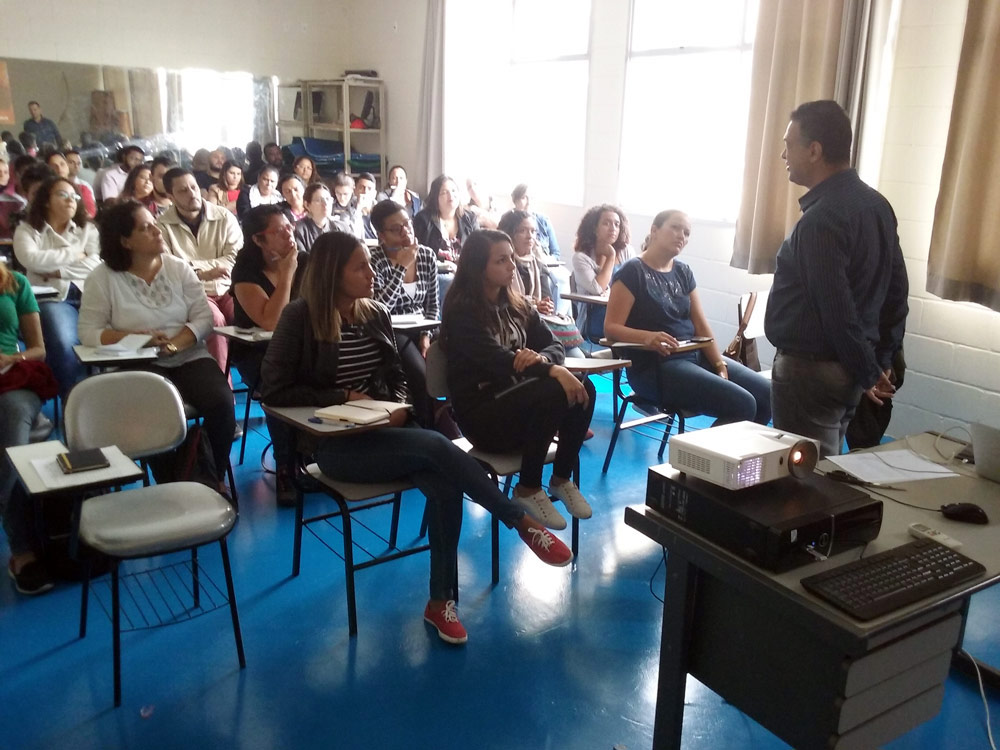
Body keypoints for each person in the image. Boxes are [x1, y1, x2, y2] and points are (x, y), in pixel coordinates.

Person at [260, 230, 572, 643]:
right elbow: (273, 390)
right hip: (334, 447)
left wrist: (395, 407)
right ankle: (519, 519)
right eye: (361, 267)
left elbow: (399, 378)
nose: (373, 273)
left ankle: (440, 602)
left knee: (445, 482)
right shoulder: (300, 317)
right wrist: (342, 397)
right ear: (333, 274)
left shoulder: (374, 314)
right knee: (437, 446)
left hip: (389, 433)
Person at [765, 100, 909, 457]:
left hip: (812, 372)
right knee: (829, 465)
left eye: (789, 145)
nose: (783, 155)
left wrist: (869, 371)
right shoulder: (877, 206)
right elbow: (897, 293)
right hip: (850, 371)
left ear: (814, 151)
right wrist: (881, 360)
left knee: (807, 477)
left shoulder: (820, 221)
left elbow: (836, 310)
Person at [441, 230, 596, 531]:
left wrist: (543, 360)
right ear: (478, 267)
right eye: (501, 260)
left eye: (511, 258)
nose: (512, 265)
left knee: (584, 387)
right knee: (554, 389)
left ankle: (561, 478)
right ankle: (527, 487)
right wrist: (552, 370)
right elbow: (497, 360)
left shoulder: (518, 305)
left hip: (522, 408)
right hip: (483, 419)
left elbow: (554, 345)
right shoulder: (462, 312)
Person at [79, 201, 235, 494]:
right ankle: (173, 484)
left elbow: (203, 318)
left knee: (222, 402)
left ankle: (212, 476)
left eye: (154, 224)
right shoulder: (102, 278)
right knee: (152, 410)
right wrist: (133, 337)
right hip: (135, 360)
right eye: (145, 228)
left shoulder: (178, 268)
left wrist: (174, 345)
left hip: (187, 354)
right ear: (125, 241)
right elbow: (88, 333)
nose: (157, 230)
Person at [604, 210, 771, 428]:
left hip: (695, 355)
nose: (681, 236)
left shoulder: (683, 271)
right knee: (743, 404)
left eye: (686, 232)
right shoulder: (632, 271)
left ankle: (739, 451)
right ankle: (706, 452)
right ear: (654, 230)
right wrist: (646, 337)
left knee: (767, 395)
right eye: (675, 228)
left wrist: (719, 364)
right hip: (655, 367)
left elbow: (700, 325)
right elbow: (611, 328)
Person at [231, 205, 307, 505]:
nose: (288, 234)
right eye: (278, 231)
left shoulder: (306, 261)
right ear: (258, 240)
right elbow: (271, 321)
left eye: (289, 227)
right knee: (279, 385)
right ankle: (286, 465)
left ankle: (314, 455)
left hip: (300, 350)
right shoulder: (245, 273)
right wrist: (287, 274)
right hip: (257, 355)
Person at [12, 176, 100, 399]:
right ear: (46, 200)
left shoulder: (87, 229)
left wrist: (59, 271)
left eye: (74, 196)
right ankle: (71, 399)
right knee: (64, 342)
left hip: (90, 296)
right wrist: (76, 253)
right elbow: (31, 260)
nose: (71, 200)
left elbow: (95, 264)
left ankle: (102, 397)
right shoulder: (27, 230)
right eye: (63, 194)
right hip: (52, 298)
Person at [158, 167, 243, 374]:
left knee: (247, 315)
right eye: (183, 191)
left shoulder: (224, 217)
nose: (192, 194)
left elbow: (235, 258)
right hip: (193, 292)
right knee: (214, 321)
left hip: (228, 287)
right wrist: (204, 273)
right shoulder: (162, 226)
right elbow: (169, 267)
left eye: (194, 187)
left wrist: (192, 266)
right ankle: (221, 385)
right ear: (170, 196)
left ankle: (257, 379)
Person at [369, 199, 441, 431]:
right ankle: (426, 428)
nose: (405, 232)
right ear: (381, 235)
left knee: (457, 353)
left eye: (407, 224)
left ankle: (449, 419)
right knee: (420, 373)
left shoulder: (427, 255)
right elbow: (379, 308)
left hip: (423, 327)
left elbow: (433, 305)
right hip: (391, 330)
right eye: (396, 229)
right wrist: (401, 267)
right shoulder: (375, 260)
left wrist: (426, 336)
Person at [0, 263, 50, 594]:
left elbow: (38, 350)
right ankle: (21, 549)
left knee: (14, 419)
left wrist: (10, 359)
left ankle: (21, 550)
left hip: (11, 379)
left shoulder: (15, 282)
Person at [571, 204, 634, 342]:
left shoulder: (626, 251)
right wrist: (611, 256)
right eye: (606, 223)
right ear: (594, 228)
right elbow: (598, 288)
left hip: (624, 315)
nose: (613, 228)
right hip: (594, 321)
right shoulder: (581, 257)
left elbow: (634, 285)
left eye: (617, 224)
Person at [413, 174, 479, 264]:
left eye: (453, 190)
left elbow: (479, 250)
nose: (451, 195)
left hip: (465, 269)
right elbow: (417, 252)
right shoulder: (422, 219)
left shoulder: (470, 219)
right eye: (444, 192)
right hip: (434, 269)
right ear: (435, 197)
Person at [511, 183, 559, 258]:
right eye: (524, 198)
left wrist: (547, 260)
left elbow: (556, 253)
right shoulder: (508, 221)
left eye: (531, 198)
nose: (528, 202)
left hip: (545, 263)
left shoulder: (543, 220)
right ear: (515, 200)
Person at [294, 182, 335, 253]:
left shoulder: (341, 227)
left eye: (328, 199)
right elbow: (301, 257)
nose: (325, 203)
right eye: (319, 200)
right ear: (307, 205)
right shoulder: (298, 230)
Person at [59, 150, 97, 218]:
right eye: (71, 162)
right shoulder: (56, 185)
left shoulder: (85, 186)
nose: (76, 166)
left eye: (78, 163)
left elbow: (91, 210)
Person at [330, 172, 363, 238]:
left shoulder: (358, 204)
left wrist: (358, 209)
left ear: (352, 190)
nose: (342, 198)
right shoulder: (330, 204)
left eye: (345, 194)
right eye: (338, 193)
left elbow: (358, 232)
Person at [354, 172, 378, 239]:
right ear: (355, 191)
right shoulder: (348, 210)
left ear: (374, 194)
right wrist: (358, 209)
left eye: (369, 189)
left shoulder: (381, 211)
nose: (365, 192)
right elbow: (353, 236)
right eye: (362, 188)